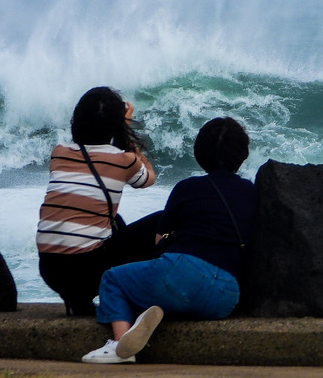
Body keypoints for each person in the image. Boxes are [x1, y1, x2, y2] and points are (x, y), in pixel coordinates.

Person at [82, 116, 257, 364]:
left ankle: (121, 346)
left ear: (199, 153)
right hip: (226, 294)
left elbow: (158, 239)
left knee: (113, 279)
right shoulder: (251, 192)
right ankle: (153, 312)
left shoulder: (187, 188)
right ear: (242, 154)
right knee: (179, 291)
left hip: (182, 273)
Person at [37, 86, 159, 316]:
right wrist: (126, 131)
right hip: (86, 272)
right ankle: (136, 300)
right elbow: (148, 178)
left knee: (114, 220)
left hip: (50, 270)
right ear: (115, 125)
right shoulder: (124, 160)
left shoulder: (59, 153)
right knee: (166, 220)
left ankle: (79, 301)